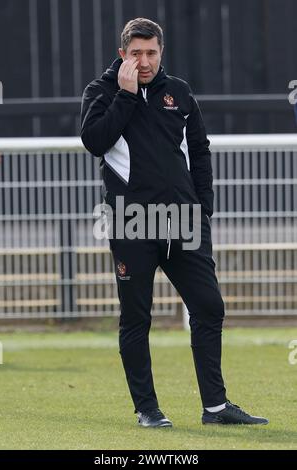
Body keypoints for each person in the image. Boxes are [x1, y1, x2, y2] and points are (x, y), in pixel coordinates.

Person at [81, 18, 268, 427]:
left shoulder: (179, 92)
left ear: (160, 52)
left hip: (184, 221)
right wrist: (127, 97)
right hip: (132, 221)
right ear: (122, 54)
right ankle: (148, 410)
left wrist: (204, 210)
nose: (144, 61)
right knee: (137, 318)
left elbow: (200, 152)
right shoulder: (102, 91)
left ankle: (216, 408)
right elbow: (94, 140)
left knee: (209, 306)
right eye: (136, 53)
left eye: (151, 53)